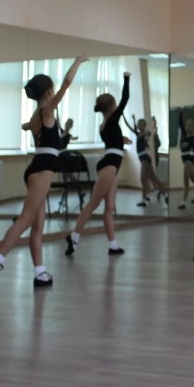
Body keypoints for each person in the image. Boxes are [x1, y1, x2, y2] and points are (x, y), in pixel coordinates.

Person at [0, 56, 87, 293]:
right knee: (26, 219)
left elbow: (28, 126)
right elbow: (67, 83)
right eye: (53, 89)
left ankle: (40, 273)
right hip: (42, 170)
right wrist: (78, 62)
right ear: (49, 91)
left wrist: (28, 127)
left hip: (35, 168)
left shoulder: (36, 116)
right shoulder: (47, 110)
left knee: (38, 226)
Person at [64, 73, 132, 257]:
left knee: (109, 207)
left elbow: (113, 140)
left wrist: (122, 140)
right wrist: (126, 78)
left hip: (111, 165)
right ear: (112, 107)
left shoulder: (106, 125)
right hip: (109, 165)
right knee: (93, 204)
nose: (118, 107)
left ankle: (113, 245)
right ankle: (74, 237)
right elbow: (126, 98)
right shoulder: (112, 120)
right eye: (115, 105)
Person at [125, 114, 166, 207]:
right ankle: (164, 194)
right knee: (153, 178)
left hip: (145, 158)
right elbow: (129, 126)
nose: (139, 126)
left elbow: (149, 133)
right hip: (142, 158)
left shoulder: (144, 133)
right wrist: (127, 117)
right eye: (138, 124)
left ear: (144, 126)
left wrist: (148, 130)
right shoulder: (138, 133)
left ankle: (144, 199)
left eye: (141, 124)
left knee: (143, 178)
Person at [177, 111, 194, 210]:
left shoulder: (193, 138)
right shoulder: (184, 134)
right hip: (185, 160)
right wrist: (181, 113)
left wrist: (183, 145)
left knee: (186, 182)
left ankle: (183, 202)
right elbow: (180, 123)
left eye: (190, 125)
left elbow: (187, 146)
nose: (187, 127)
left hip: (189, 160)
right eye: (187, 125)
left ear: (193, 128)